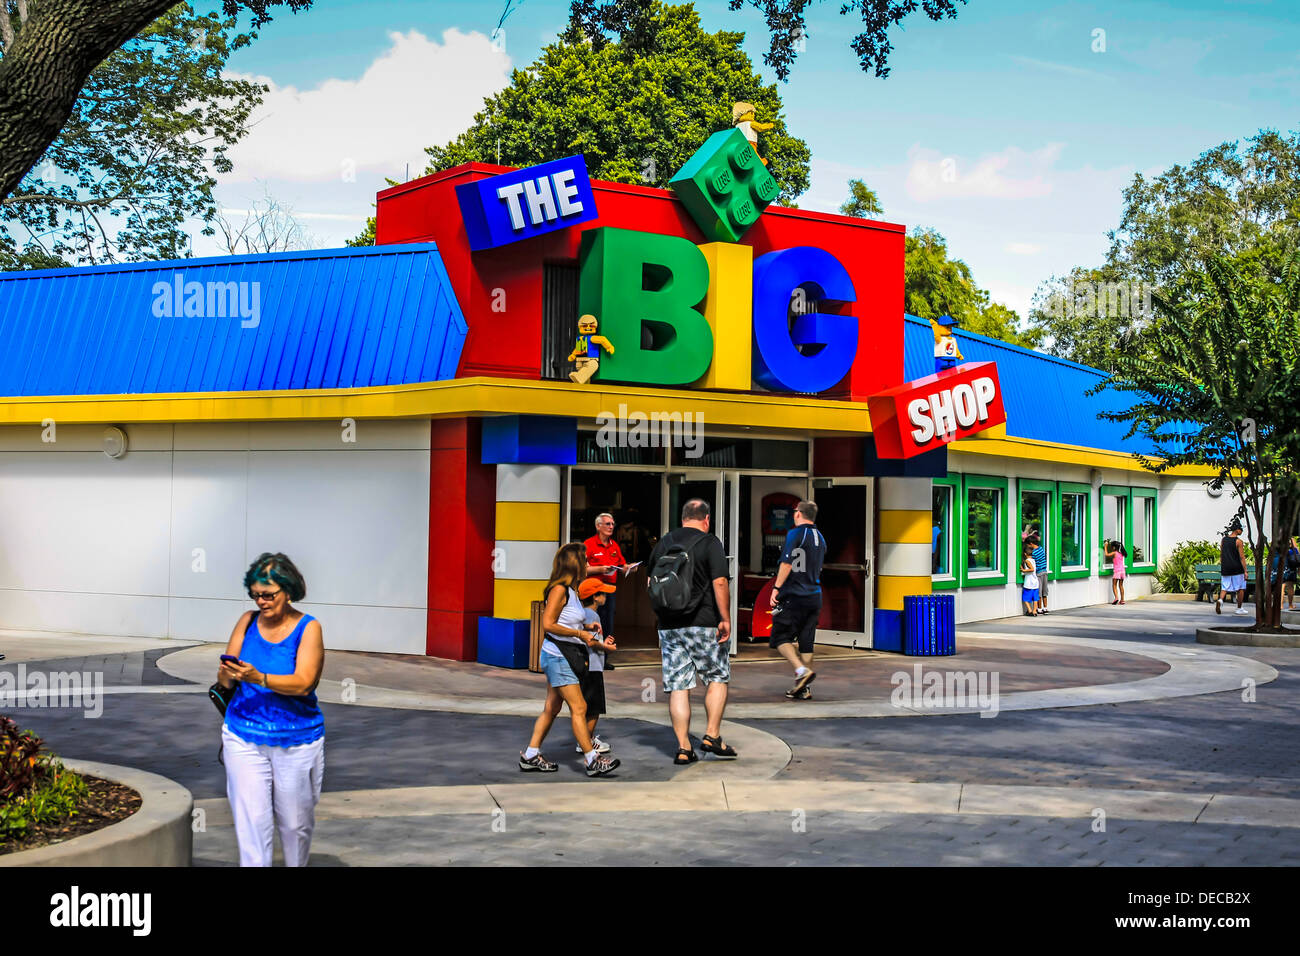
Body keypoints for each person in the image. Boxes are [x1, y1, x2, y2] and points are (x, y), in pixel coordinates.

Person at [217, 552, 325, 867]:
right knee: (252, 824)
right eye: (256, 595)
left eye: (268, 595)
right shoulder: (247, 620)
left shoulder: (309, 627)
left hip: (298, 739)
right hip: (243, 734)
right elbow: (225, 676)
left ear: (288, 591)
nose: (262, 601)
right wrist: (228, 673)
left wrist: (258, 677)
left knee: (294, 825)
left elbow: (304, 683)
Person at [520, 543, 620, 776]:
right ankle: (591, 759)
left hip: (563, 655)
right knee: (580, 707)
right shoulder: (560, 590)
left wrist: (585, 625)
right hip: (558, 655)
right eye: (584, 561)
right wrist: (580, 633)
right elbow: (548, 624)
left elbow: (564, 621)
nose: (587, 565)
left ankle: (531, 754)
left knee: (552, 708)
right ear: (574, 565)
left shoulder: (572, 591)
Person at [647, 498, 735, 764]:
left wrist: (663, 614)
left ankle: (684, 748)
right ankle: (712, 735)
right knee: (717, 676)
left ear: (683, 517)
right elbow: (719, 582)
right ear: (706, 519)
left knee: (678, 686)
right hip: (704, 623)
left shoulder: (664, 542)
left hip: (670, 626)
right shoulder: (710, 542)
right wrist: (726, 618)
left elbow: (650, 582)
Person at [768, 500, 825, 700]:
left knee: (780, 637)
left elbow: (787, 563)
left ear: (799, 514)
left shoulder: (795, 534)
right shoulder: (820, 537)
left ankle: (802, 671)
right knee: (806, 641)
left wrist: (776, 588)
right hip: (814, 595)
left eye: (795, 512)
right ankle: (804, 687)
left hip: (794, 595)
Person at [575, 578, 617, 754]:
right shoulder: (592, 615)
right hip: (593, 667)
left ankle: (585, 740)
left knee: (586, 706)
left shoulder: (581, 613)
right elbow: (592, 643)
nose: (606, 595)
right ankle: (587, 742)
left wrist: (603, 641)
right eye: (602, 592)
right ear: (595, 597)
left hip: (585, 666)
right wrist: (607, 647)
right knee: (594, 708)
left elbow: (592, 639)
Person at [584, 512, 629, 665]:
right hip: (593, 590)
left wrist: (628, 568)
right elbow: (583, 569)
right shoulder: (589, 544)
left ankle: (604, 658)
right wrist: (601, 569)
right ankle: (588, 657)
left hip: (609, 589)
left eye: (612, 524)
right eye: (608, 524)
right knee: (591, 621)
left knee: (607, 622)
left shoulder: (614, 545)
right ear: (598, 526)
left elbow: (622, 565)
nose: (611, 527)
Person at [1216, 519, 1249, 616]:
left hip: (1226, 568)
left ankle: (1220, 600)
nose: (1242, 531)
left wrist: (1223, 565)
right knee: (1241, 588)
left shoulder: (1224, 540)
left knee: (1224, 587)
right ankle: (1239, 608)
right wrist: (1245, 571)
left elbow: (1221, 554)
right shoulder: (1239, 541)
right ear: (1236, 530)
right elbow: (1242, 557)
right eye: (1241, 529)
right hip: (1237, 568)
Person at [1030, 530, 1049, 615]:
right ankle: (1045, 608)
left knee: (1039, 592)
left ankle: (1039, 608)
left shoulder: (1034, 553)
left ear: (1030, 544)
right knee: (1045, 591)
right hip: (1045, 572)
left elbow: (1033, 564)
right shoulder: (1041, 549)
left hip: (1038, 573)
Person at [1104, 539, 1128, 605]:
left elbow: (1106, 554)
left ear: (1114, 547)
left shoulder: (1114, 553)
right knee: (1121, 585)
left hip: (1117, 571)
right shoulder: (1121, 554)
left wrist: (1105, 546)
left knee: (1114, 585)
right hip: (1122, 571)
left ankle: (1116, 598)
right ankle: (1122, 600)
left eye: (1112, 547)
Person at [1020, 543, 1039, 617]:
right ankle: (1034, 611)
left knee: (1025, 598)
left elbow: (1032, 569)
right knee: (1035, 598)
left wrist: (1023, 570)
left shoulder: (1027, 561)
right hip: (1035, 583)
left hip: (1029, 583)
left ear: (1025, 554)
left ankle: (1030, 611)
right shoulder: (1033, 560)